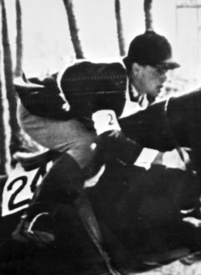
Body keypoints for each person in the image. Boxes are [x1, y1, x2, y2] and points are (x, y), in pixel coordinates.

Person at [13, 30, 180, 246]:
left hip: (76, 114)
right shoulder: (111, 83)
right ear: (137, 69)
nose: (165, 78)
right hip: (38, 111)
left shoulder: (146, 92)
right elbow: (110, 139)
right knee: (87, 146)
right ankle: (36, 217)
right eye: (159, 70)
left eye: (167, 71)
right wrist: (148, 156)